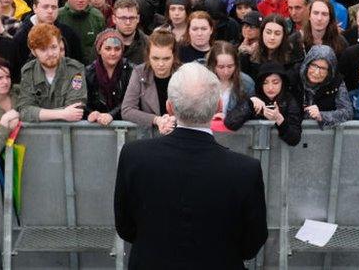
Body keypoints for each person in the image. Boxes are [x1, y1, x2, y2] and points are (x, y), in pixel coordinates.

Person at [114, 62, 268, 268]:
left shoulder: (134, 156)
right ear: (218, 107)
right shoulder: (245, 170)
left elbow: (126, 228)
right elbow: (252, 243)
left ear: (169, 106)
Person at [15, 23, 87, 123]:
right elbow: (25, 111)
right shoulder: (28, 71)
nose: (50, 54)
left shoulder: (74, 69)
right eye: (43, 49)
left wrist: (39, 114)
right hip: (39, 134)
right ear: (33, 51)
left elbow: (75, 111)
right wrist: (62, 114)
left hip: (68, 133)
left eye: (53, 47)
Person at [224, 61, 302, 146]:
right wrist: (250, 103)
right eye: (265, 83)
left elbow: (295, 139)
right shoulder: (254, 98)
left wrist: (280, 120)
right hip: (250, 147)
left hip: (279, 151)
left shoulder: (289, 101)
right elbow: (230, 123)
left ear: (282, 83)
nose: (270, 87)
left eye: (275, 82)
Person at [121, 30, 180, 133]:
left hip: (179, 135)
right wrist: (156, 120)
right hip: (149, 136)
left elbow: (195, 110)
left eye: (166, 59)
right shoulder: (139, 72)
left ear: (174, 56)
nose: (160, 64)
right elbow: (127, 110)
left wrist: (174, 119)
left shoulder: (184, 74)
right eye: (155, 58)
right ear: (148, 55)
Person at [85, 29, 133, 125]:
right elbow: (83, 100)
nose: (113, 53)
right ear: (99, 50)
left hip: (125, 123)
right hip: (96, 126)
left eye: (117, 49)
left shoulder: (131, 70)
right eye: (107, 48)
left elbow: (131, 100)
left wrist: (112, 115)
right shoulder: (88, 72)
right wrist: (91, 113)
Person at [299, 45, 353, 127]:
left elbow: (347, 112)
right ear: (307, 64)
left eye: (323, 68)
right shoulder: (295, 78)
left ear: (330, 71)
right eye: (314, 65)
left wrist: (322, 115)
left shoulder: (336, 83)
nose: (316, 72)